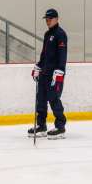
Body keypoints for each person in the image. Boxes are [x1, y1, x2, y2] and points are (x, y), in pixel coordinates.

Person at [28, 8, 67, 139]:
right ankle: (41, 126)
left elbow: (62, 55)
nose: (48, 21)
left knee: (54, 99)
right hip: (44, 73)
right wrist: (38, 66)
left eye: (50, 19)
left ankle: (60, 127)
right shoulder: (47, 34)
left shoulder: (60, 34)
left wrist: (60, 70)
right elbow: (44, 54)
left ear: (56, 19)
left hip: (55, 74)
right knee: (41, 99)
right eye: (46, 19)